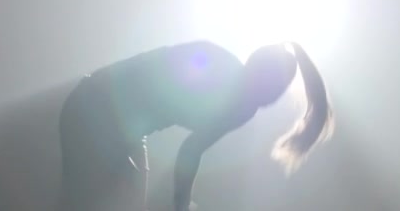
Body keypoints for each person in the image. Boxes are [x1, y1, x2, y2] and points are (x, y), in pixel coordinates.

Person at [58, 40, 334, 211]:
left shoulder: (241, 102)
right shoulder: (224, 77)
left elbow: (189, 145)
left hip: (114, 126)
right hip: (92, 110)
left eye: (280, 89)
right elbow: (190, 149)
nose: (273, 96)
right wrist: (180, 205)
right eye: (276, 85)